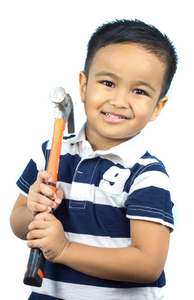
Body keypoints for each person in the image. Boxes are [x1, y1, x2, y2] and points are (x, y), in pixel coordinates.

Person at [10, 19, 178, 300]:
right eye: (108, 83)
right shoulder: (51, 153)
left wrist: (65, 250)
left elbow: (148, 264)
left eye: (139, 91)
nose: (119, 100)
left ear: (157, 107)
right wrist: (32, 207)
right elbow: (18, 223)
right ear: (84, 85)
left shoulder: (146, 175)